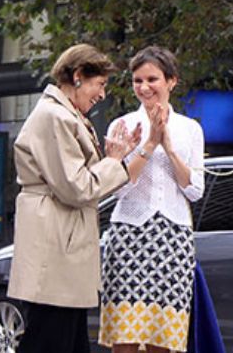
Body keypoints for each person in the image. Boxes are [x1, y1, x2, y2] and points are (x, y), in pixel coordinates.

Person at [8, 44, 140, 353]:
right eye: (100, 84)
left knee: (67, 339)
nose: (102, 94)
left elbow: (83, 182)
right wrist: (115, 161)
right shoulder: (55, 116)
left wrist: (117, 158)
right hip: (56, 244)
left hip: (63, 242)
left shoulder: (66, 115)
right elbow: (77, 187)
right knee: (52, 338)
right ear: (79, 76)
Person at [99, 47, 205, 353]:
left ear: (171, 81)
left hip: (174, 237)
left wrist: (169, 148)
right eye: (137, 80)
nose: (144, 87)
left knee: (164, 337)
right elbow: (118, 189)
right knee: (125, 335)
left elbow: (194, 190)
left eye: (152, 79)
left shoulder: (190, 129)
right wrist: (148, 145)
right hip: (129, 234)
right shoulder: (121, 126)